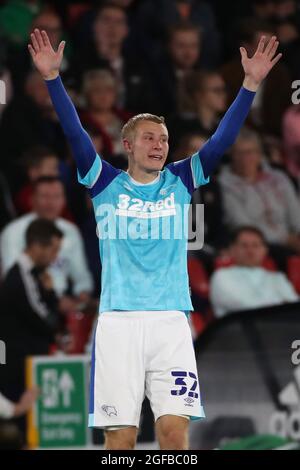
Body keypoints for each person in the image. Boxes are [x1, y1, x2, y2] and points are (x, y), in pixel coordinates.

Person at [28, 27, 281, 450]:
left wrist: (250, 85)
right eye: (149, 138)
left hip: (171, 322)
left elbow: (223, 139)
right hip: (118, 321)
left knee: (174, 433)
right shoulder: (104, 181)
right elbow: (74, 135)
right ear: (127, 144)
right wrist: (53, 80)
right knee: (121, 438)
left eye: (163, 139)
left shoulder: (182, 179)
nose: (159, 145)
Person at [0, 219, 62, 420]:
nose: (55, 257)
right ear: (36, 246)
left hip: (26, 361)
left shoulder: (34, 275)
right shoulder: (20, 276)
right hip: (17, 367)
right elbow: (44, 320)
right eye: (53, 250)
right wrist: (52, 295)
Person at [0, 176, 94, 310]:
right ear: (32, 199)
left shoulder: (71, 231)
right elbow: (12, 281)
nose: (51, 203)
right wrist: (53, 300)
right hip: (24, 306)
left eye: (57, 196)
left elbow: (81, 275)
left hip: (63, 305)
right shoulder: (13, 232)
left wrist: (83, 296)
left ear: (64, 200)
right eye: (45, 196)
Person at [218, 127, 300, 268]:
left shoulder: (279, 178)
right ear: (232, 155)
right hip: (258, 245)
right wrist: (286, 239)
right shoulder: (225, 184)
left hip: (292, 240)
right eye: (240, 153)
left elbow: (296, 214)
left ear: (259, 154)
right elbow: (242, 224)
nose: (246, 158)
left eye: (251, 152)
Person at [210, 226, 298, 317]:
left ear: (265, 250)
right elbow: (243, 307)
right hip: (239, 328)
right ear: (232, 249)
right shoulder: (221, 276)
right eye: (244, 246)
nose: (250, 251)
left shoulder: (278, 278)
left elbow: (294, 307)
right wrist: (280, 304)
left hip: (279, 326)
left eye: (255, 245)